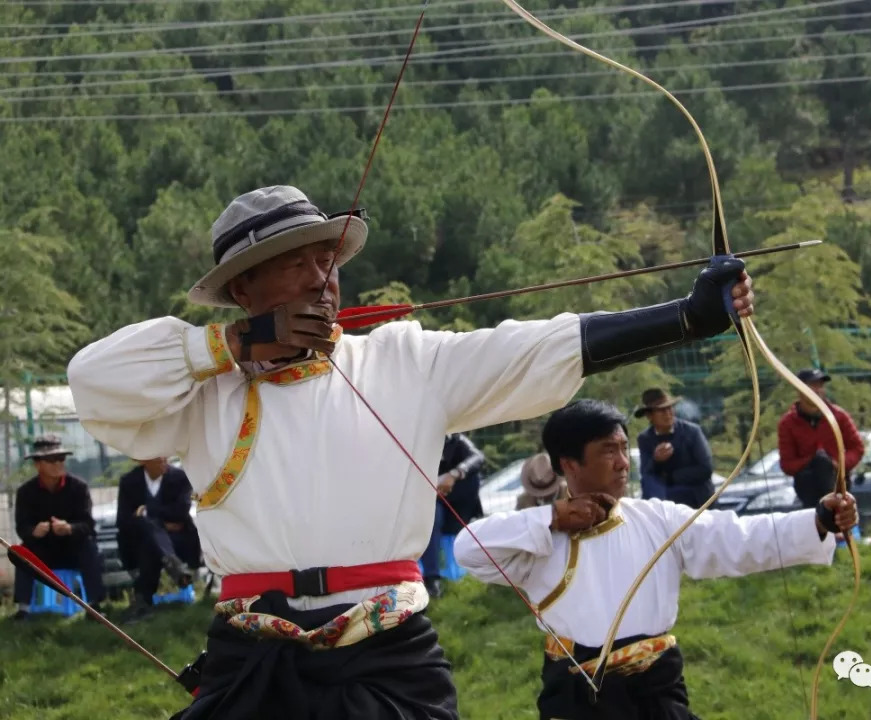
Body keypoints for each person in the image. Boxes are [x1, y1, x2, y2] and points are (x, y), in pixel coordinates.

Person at [65, 185, 756, 719]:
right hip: (255, 658)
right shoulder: (201, 391)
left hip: (386, 656)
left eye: (326, 259)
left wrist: (687, 318)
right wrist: (229, 347)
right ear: (243, 289)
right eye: (295, 264)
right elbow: (92, 381)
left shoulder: (403, 360)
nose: (321, 279)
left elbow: (536, 346)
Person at [455, 400, 857, 720]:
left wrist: (820, 519)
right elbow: (469, 547)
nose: (622, 461)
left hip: (659, 693)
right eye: (606, 451)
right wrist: (555, 517)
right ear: (569, 463)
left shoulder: (658, 518)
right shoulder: (541, 536)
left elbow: (739, 537)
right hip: (583, 700)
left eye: (622, 448)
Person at [12, 435, 106, 621]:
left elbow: (88, 525)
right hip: (43, 552)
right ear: (38, 465)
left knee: (88, 545)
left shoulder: (78, 487)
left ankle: (95, 605)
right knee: (20, 552)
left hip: (72, 549)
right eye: (50, 460)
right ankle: (23, 609)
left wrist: (69, 528)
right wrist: (34, 531)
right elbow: (22, 527)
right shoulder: (25, 492)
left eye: (61, 459)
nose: (58, 464)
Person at [116, 457, 202, 621]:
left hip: (178, 541)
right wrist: (161, 523)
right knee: (149, 537)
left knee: (149, 538)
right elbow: (123, 520)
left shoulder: (180, 478)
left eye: (165, 457)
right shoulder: (129, 481)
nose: (164, 460)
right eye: (158, 457)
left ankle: (142, 600)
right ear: (143, 460)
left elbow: (181, 512)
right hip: (140, 542)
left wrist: (147, 511)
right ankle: (172, 565)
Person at [777, 368, 865, 509]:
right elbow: (787, 464)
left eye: (820, 385)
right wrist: (812, 461)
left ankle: (835, 513)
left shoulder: (839, 416)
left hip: (837, 481)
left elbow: (857, 448)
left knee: (825, 465)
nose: (817, 390)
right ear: (799, 389)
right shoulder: (787, 423)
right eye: (812, 385)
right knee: (819, 463)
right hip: (808, 484)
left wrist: (838, 463)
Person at [422, 433, 485, 598]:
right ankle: (432, 579)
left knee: (473, 478)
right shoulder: (417, 441)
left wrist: (455, 474)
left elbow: (477, 457)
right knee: (432, 518)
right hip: (426, 499)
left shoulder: (456, 441)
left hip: (457, 504)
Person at [634, 389, 714, 506]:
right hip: (665, 500)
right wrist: (656, 460)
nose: (668, 413)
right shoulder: (645, 438)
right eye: (662, 410)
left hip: (696, 499)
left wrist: (671, 477)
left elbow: (705, 469)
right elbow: (646, 473)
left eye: (670, 408)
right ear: (649, 416)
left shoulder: (692, 432)